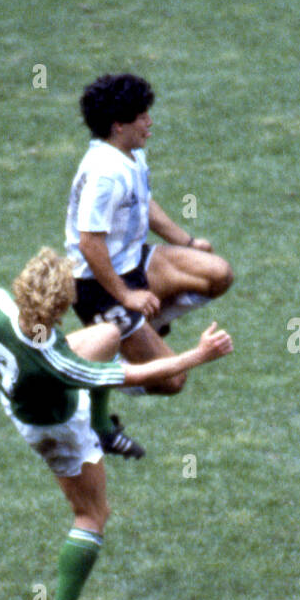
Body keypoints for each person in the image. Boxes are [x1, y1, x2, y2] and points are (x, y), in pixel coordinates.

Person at [0, 247, 233, 600]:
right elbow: (135, 373)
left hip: (21, 394)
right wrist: (198, 355)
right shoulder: (59, 362)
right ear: (61, 308)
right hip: (54, 430)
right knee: (92, 514)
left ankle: (102, 428)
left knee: (107, 334)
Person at [65, 72, 234, 409]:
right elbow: (89, 245)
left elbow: (144, 204)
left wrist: (186, 241)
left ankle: (146, 327)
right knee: (172, 381)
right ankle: (102, 369)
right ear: (118, 126)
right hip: (97, 285)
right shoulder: (103, 174)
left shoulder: (131, 154)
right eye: (142, 117)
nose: (149, 122)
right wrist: (126, 295)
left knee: (217, 274)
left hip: (134, 262)